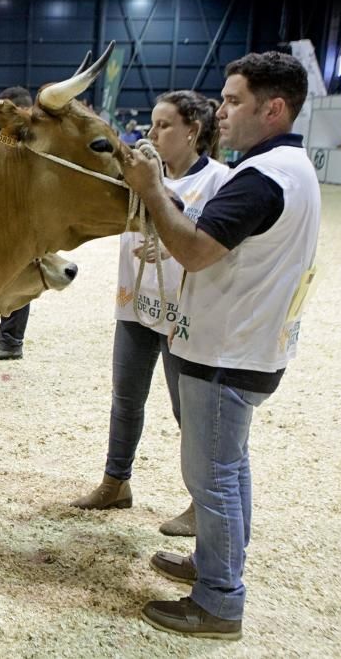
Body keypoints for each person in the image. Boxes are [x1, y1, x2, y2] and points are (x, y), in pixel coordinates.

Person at [121, 52, 319, 640]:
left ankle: (218, 602)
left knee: (212, 477)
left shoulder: (264, 178)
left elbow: (197, 249)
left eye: (234, 101)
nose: (222, 111)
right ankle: (215, 565)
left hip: (227, 352)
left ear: (273, 107)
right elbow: (212, 230)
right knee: (229, 470)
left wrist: (154, 191)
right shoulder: (287, 168)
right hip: (250, 346)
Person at [70, 90, 229, 539]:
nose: (152, 134)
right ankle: (115, 482)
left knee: (189, 411)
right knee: (125, 399)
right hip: (135, 305)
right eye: (152, 124)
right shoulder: (135, 176)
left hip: (185, 312)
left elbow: (215, 248)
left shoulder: (219, 181)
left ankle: (203, 503)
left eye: (164, 126)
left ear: (192, 131)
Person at [0, 86, 37, 360]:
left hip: (22, 216)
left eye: (7, 111)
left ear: (22, 110)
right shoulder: (16, 135)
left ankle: (12, 341)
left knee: (18, 275)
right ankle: (5, 332)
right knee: (5, 276)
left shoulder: (31, 137)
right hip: (10, 213)